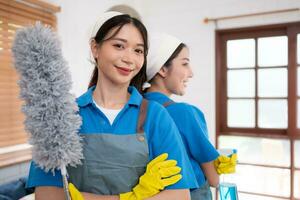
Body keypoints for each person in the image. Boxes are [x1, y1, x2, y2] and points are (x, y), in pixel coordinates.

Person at [26, 12, 198, 200]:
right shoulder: (62, 117)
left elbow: (180, 195)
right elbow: (45, 194)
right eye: (119, 46)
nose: (129, 59)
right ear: (95, 48)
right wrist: (134, 197)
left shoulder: (155, 116)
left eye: (138, 51)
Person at [143, 33, 237, 199]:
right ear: (163, 69)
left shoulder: (135, 108)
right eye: (185, 64)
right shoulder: (185, 113)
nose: (191, 73)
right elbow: (214, 179)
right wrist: (220, 165)